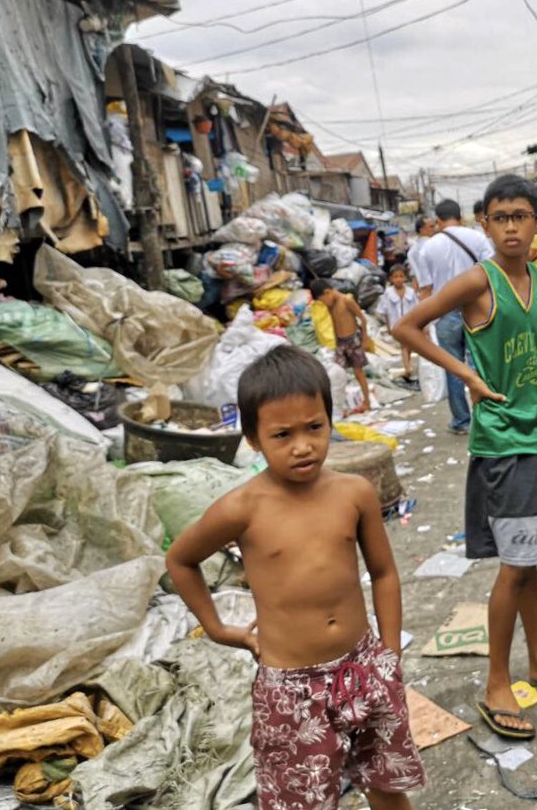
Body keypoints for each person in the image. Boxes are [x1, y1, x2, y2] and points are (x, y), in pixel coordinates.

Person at [393, 174, 537, 740]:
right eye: (500, 217)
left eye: (521, 216)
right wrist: (466, 374)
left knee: (531, 555)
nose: (511, 226)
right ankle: (496, 684)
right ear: (484, 225)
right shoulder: (476, 282)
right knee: (514, 566)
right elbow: (406, 327)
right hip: (502, 445)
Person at [165, 345, 424, 810]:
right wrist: (220, 629)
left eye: (314, 428)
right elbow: (180, 561)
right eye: (282, 434)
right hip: (290, 687)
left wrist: (388, 650)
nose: (302, 445)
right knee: (301, 800)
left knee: (385, 783)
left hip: (363, 665)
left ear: (331, 418)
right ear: (253, 439)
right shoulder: (242, 508)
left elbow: (384, 573)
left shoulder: (355, 493)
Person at [415, 199, 495, 434]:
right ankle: (486, 416)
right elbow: (493, 274)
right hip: (477, 309)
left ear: (438, 221)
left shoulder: (427, 248)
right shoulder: (477, 238)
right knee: (481, 363)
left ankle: (462, 421)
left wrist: (423, 324)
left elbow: (425, 289)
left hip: (444, 313)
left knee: (454, 366)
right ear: (460, 216)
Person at [311, 278, 372, 413]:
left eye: (322, 300)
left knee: (359, 372)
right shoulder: (329, 305)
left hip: (352, 340)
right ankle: (340, 407)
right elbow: (329, 321)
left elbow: (362, 318)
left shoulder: (347, 301)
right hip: (339, 342)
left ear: (327, 292)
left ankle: (367, 402)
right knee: (338, 373)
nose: (323, 303)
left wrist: (365, 337)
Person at [376, 264, 419, 380]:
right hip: (397, 325)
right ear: (391, 279)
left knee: (408, 345)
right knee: (404, 346)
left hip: (410, 324)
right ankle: (407, 368)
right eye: (396, 277)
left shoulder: (410, 292)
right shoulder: (388, 293)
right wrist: (389, 325)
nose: (399, 279)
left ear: (405, 278)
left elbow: (416, 308)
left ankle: (408, 366)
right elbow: (384, 310)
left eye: (401, 276)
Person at [407, 215, 436, 291]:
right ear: (421, 229)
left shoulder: (412, 251)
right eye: (431, 226)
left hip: (425, 291)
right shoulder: (434, 245)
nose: (434, 229)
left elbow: (415, 277)